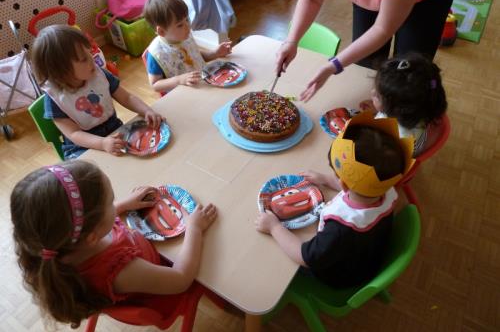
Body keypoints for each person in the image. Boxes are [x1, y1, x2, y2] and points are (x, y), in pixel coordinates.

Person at [10, 160, 218, 328]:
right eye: (110, 202)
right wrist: (194, 229)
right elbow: (181, 279)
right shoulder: (122, 270)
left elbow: (91, 224)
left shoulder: (59, 246)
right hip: (160, 288)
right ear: (92, 234)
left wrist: (124, 205)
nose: (115, 203)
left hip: (140, 266)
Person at [255, 112, 414, 288]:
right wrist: (324, 179)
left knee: (269, 259)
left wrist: (274, 227)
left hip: (339, 275)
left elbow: (305, 257)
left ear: (344, 184)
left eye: (336, 175)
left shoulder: (340, 228)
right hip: (365, 256)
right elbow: (361, 188)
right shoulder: (386, 188)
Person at [276, 0, 461, 102]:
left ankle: (407, 132)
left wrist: (334, 65)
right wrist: (291, 41)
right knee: (363, 68)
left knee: (407, 76)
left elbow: (383, 28)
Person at [31, 25, 164, 159]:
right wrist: (102, 143)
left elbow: (127, 98)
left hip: (114, 132)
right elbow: (74, 134)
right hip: (81, 148)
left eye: (89, 53)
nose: (92, 59)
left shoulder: (98, 75)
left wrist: (147, 110)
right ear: (61, 73)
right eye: (84, 59)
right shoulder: (55, 100)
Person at [143, 0, 233, 96]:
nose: (188, 26)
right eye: (180, 25)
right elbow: (155, 85)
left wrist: (215, 53)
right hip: (183, 96)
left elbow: (195, 56)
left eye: (187, 19)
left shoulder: (184, 36)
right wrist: (179, 80)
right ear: (162, 31)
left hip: (204, 85)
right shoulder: (156, 54)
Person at [365, 53, 448, 155]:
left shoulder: (397, 139)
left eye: (377, 96)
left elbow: (376, 158)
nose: (371, 92)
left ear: (396, 110)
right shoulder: (419, 109)